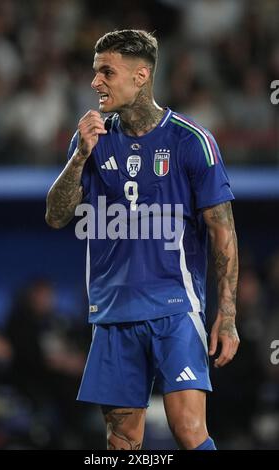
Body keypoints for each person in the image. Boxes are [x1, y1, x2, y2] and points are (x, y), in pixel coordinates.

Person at [45, 29, 239, 450]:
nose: (95, 82)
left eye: (106, 72)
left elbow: (222, 230)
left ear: (141, 76)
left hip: (174, 307)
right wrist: (80, 156)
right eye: (95, 71)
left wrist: (226, 313)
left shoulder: (193, 142)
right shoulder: (91, 140)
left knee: (188, 430)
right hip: (113, 313)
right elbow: (57, 216)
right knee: (121, 440)